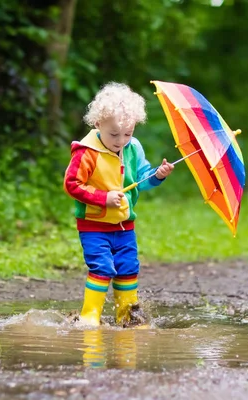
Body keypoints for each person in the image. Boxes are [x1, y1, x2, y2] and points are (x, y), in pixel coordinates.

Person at [63, 82, 174, 327]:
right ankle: (89, 317)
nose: (121, 140)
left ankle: (127, 317)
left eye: (128, 133)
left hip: (124, 226)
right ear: (98, 123)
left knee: (128, 268)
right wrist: (104, 197)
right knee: (102, 267)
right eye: (114, 134)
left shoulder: (132, 148)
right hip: (94, 225)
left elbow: (141, 180)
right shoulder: (86, 152)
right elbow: (72, 184)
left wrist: (158, 175)